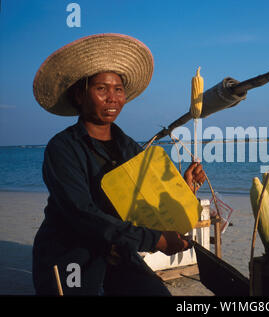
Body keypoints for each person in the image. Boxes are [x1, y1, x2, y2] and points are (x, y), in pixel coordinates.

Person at [32, 33, 206, 295]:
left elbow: (143, 202)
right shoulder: (63, 148)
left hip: (118, 252)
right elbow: (83, 214)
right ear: (80, 95)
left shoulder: (130, 149)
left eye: (118, 89)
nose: (112, 97)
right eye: (101, 89)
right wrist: (155, 240)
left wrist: (183, 188)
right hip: (72, 255)